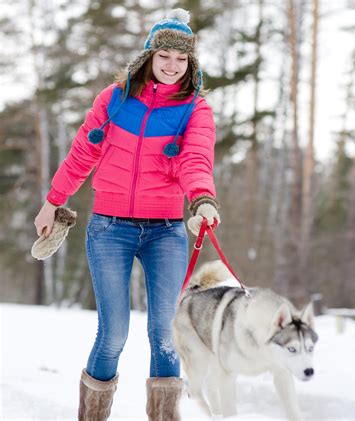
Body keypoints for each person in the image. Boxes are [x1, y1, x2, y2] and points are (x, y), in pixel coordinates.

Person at [33, 8, 220, 421]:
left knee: (164, 335)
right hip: (109, 228)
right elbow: (83, 152)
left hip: (166, 230)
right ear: (148, 56)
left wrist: (202, 199)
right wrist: (54, 199)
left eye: (181, 59)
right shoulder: (114, 100)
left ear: (191, 64)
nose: (172, 66)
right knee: (113, 332)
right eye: (164, 56)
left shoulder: (195, 110)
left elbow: (195, 160)